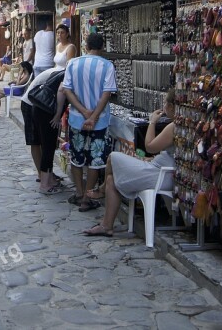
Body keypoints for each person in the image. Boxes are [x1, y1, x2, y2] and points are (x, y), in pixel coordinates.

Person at [83, 90, 176, 237]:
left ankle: (100, 191)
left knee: (113, 157)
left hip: (160, 176)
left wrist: (152, 122)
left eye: (165, 103)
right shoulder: (176, 125)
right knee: (111, 180)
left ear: (170, 106)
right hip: (159, 171)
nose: (163, 106)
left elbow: (149, 147)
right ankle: (106, 226)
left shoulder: (173, 127)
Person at [62, 33, 117, 212]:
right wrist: (93, 116)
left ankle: (79, 192)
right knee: (96, 159)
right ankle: (87, 197)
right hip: (99, 122)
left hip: (77, 118)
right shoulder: (107, 66)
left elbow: (67, 90)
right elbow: (106, 94)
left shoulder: (73, 63)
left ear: (86, 45)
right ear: (102, 46)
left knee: (76, 157)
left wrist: (83, 111)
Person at [19, 65, 67, 193]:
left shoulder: (60, 71)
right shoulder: (64, 73)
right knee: (38, 142)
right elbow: (61, 91)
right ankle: (44, 179)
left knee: (47, 145)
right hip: (34, 104)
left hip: (40, 105)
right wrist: (57, 116)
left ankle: (47, 177)